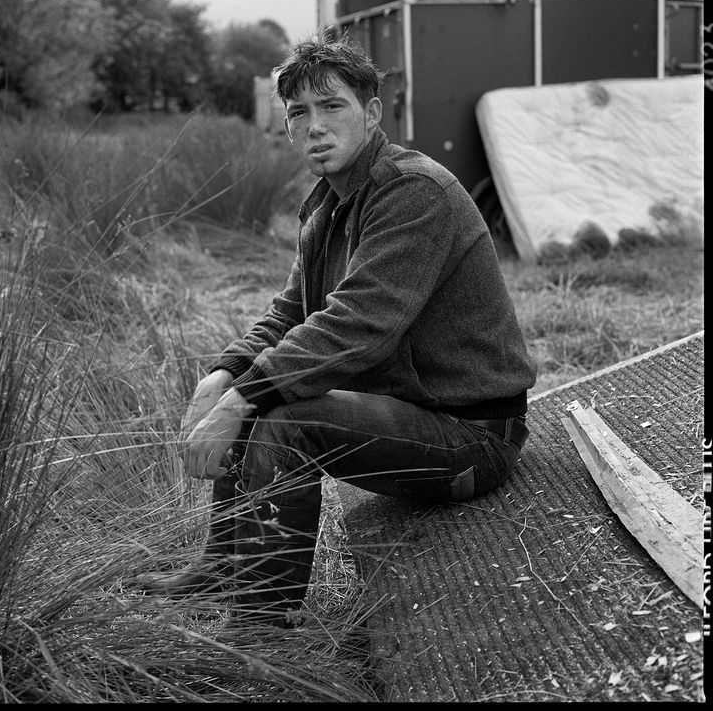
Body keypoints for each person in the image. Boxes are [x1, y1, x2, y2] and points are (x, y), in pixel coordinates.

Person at [137, 35, 537, 626]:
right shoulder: (328, 204)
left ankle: (260, 627)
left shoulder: (411, 192)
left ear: (371, 113)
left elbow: (358, 326)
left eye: (333, 107)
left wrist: (246, 395)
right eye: (299, 113)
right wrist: (225, 374)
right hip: (412, 414)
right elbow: (291, 313)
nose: (314, 127)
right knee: (257, 386)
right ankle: (226, 565)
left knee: (282, 415)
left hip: (472, 438)